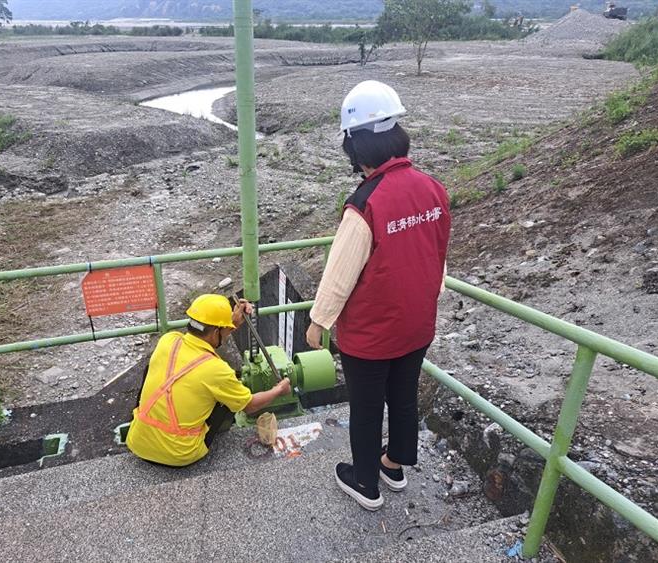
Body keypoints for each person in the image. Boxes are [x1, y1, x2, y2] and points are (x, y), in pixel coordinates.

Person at [306, 80, 451, 510]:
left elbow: (340, 274)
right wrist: (429, 295)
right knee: (403, 396)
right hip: (417, 323)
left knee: (367, 407)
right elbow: (437, 255)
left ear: (358, 147)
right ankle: (395, 465)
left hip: (371, 334)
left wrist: (319, 322)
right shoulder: (433, 188)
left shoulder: (365, 203)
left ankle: (365, 483)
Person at [127, 293, 291, 466]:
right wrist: (279, 390)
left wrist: (230, 324)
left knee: (157, 372)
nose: (229, 333)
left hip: (138, 443)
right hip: (180, 454)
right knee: (227, 395)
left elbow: (205, 337)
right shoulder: (217, 370)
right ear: (215, 332)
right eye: (226, 330)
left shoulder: (168, 341)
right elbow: (250, 406)